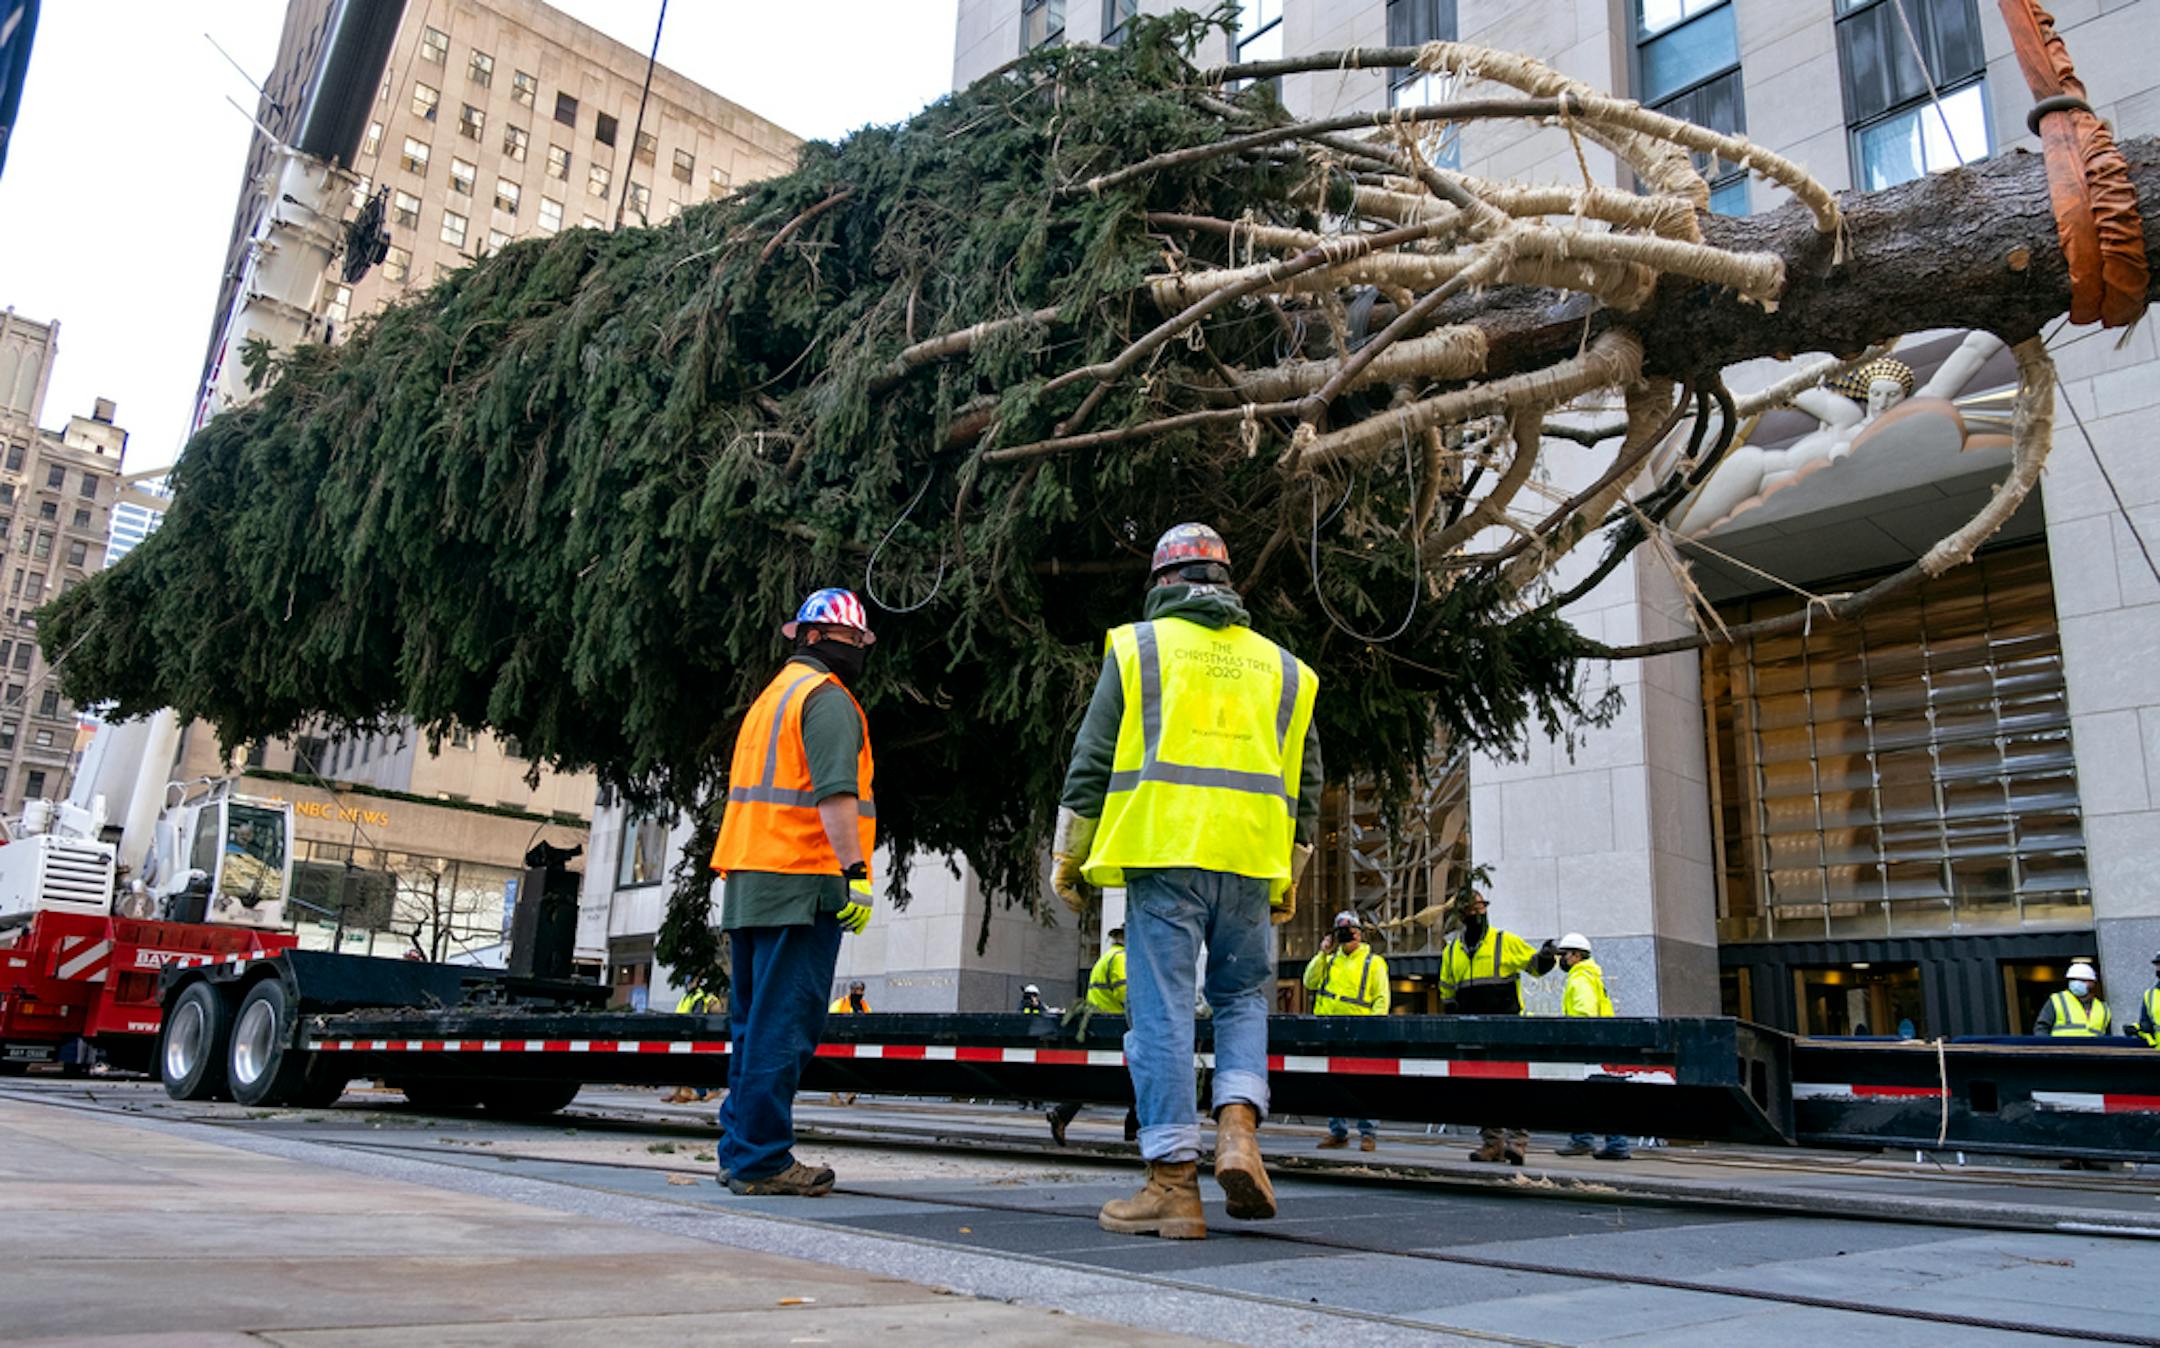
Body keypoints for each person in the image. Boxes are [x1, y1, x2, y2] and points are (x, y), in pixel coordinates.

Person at [1052, 522, 1321, 1242]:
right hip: (1250, 863)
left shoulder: (1141, 648)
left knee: (1164, 1013)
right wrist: (1288, 873)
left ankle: (1172, 1184)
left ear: (1162, 585)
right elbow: (1309, 781)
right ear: (1228, 585)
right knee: (1240, 998)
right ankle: (1238, 1128)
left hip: (1166, 855)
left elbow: (1093, 759)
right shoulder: (1283, 668)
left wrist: (1068, 856)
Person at [707, 587, 880, 1197]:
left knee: (753, 1026)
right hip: (801, 880)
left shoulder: (770, 701)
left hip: (751, 878)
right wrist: (855, 874)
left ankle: (740, 1152)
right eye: (855, 640)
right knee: (785, 1025)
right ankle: (762, 1161)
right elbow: (835, 795)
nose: (860, 650)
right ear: (817, 637)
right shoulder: (827, 700)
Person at [1438, 890, 1556, 1165]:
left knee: (1512, 1086)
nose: (1478, 913)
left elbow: (1536, 967)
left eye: (1481, 907)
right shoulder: (1453, 950)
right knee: (1483, 1090)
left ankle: (1517, 1143)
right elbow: (1446, 988)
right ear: (1461, 915)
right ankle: (1492, 1143)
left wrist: (1548, 956)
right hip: (1472, 1030)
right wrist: (1452, 1012)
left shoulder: (1505, 942)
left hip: (1507, 1028)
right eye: (1471, 909)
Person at [1304, 910, 1388, 1152]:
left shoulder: (1374, 962)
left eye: (1350, 930)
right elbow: (1309, 981)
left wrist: (1375, 1029)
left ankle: (1368, 1133)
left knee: (1362, 1084)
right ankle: (1338, 1132)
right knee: (1334, 1083)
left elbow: (1381, 998)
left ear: (1360, 933)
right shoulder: (1329, 960)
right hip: (1330, 1028)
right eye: (1341, 931)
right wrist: (1322, 952)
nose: (1347, 935)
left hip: (1360, 1029)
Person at [1047, 928, 1139, 1146]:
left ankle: (1064, 1114)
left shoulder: (1106, 957)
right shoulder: (1120, 959)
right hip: (1116, 1026)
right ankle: (1132, 1129)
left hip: (1101, 1024)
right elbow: (1127, 996)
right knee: (1139, 1076)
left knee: (1104, 1078)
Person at [1549, 934, 1628, 1161]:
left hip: (1587, 1045)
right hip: (1602, 1042)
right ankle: (1613, 1142)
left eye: (1564, 955)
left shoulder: (1580, 978)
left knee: (1583, 1094)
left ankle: (1585, 1140)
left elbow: (1584, 1014)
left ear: (1576, 955)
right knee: (1601, 1094)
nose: (1561, 960)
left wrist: (1573, 1040)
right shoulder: (1589, 975)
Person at [664, 982, 723, 1104]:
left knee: (698, 1063)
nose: (688, 984)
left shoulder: (700, 997)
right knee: (690, 1064)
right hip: (686, 1033)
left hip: (697, 1035)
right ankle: (687, 1092)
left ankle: (708, 1090)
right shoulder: (688, 997)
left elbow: (697, 1016)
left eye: (691, 982)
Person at [2034, 961, 2111, 1038]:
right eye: (2073, 980)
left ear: (2093, 982)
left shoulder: (2103, 1009)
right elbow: (2041, 1029)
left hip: (2093, 1050)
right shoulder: (2057, 1000)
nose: (2077, 983)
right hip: (2062, 1049)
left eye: (2082, 980)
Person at [2138, 952, 2160, 1049]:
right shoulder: (2150, 995)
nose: (2158, 968)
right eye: (2158, 965)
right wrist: (2139, 1028)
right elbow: (2145, 1023)